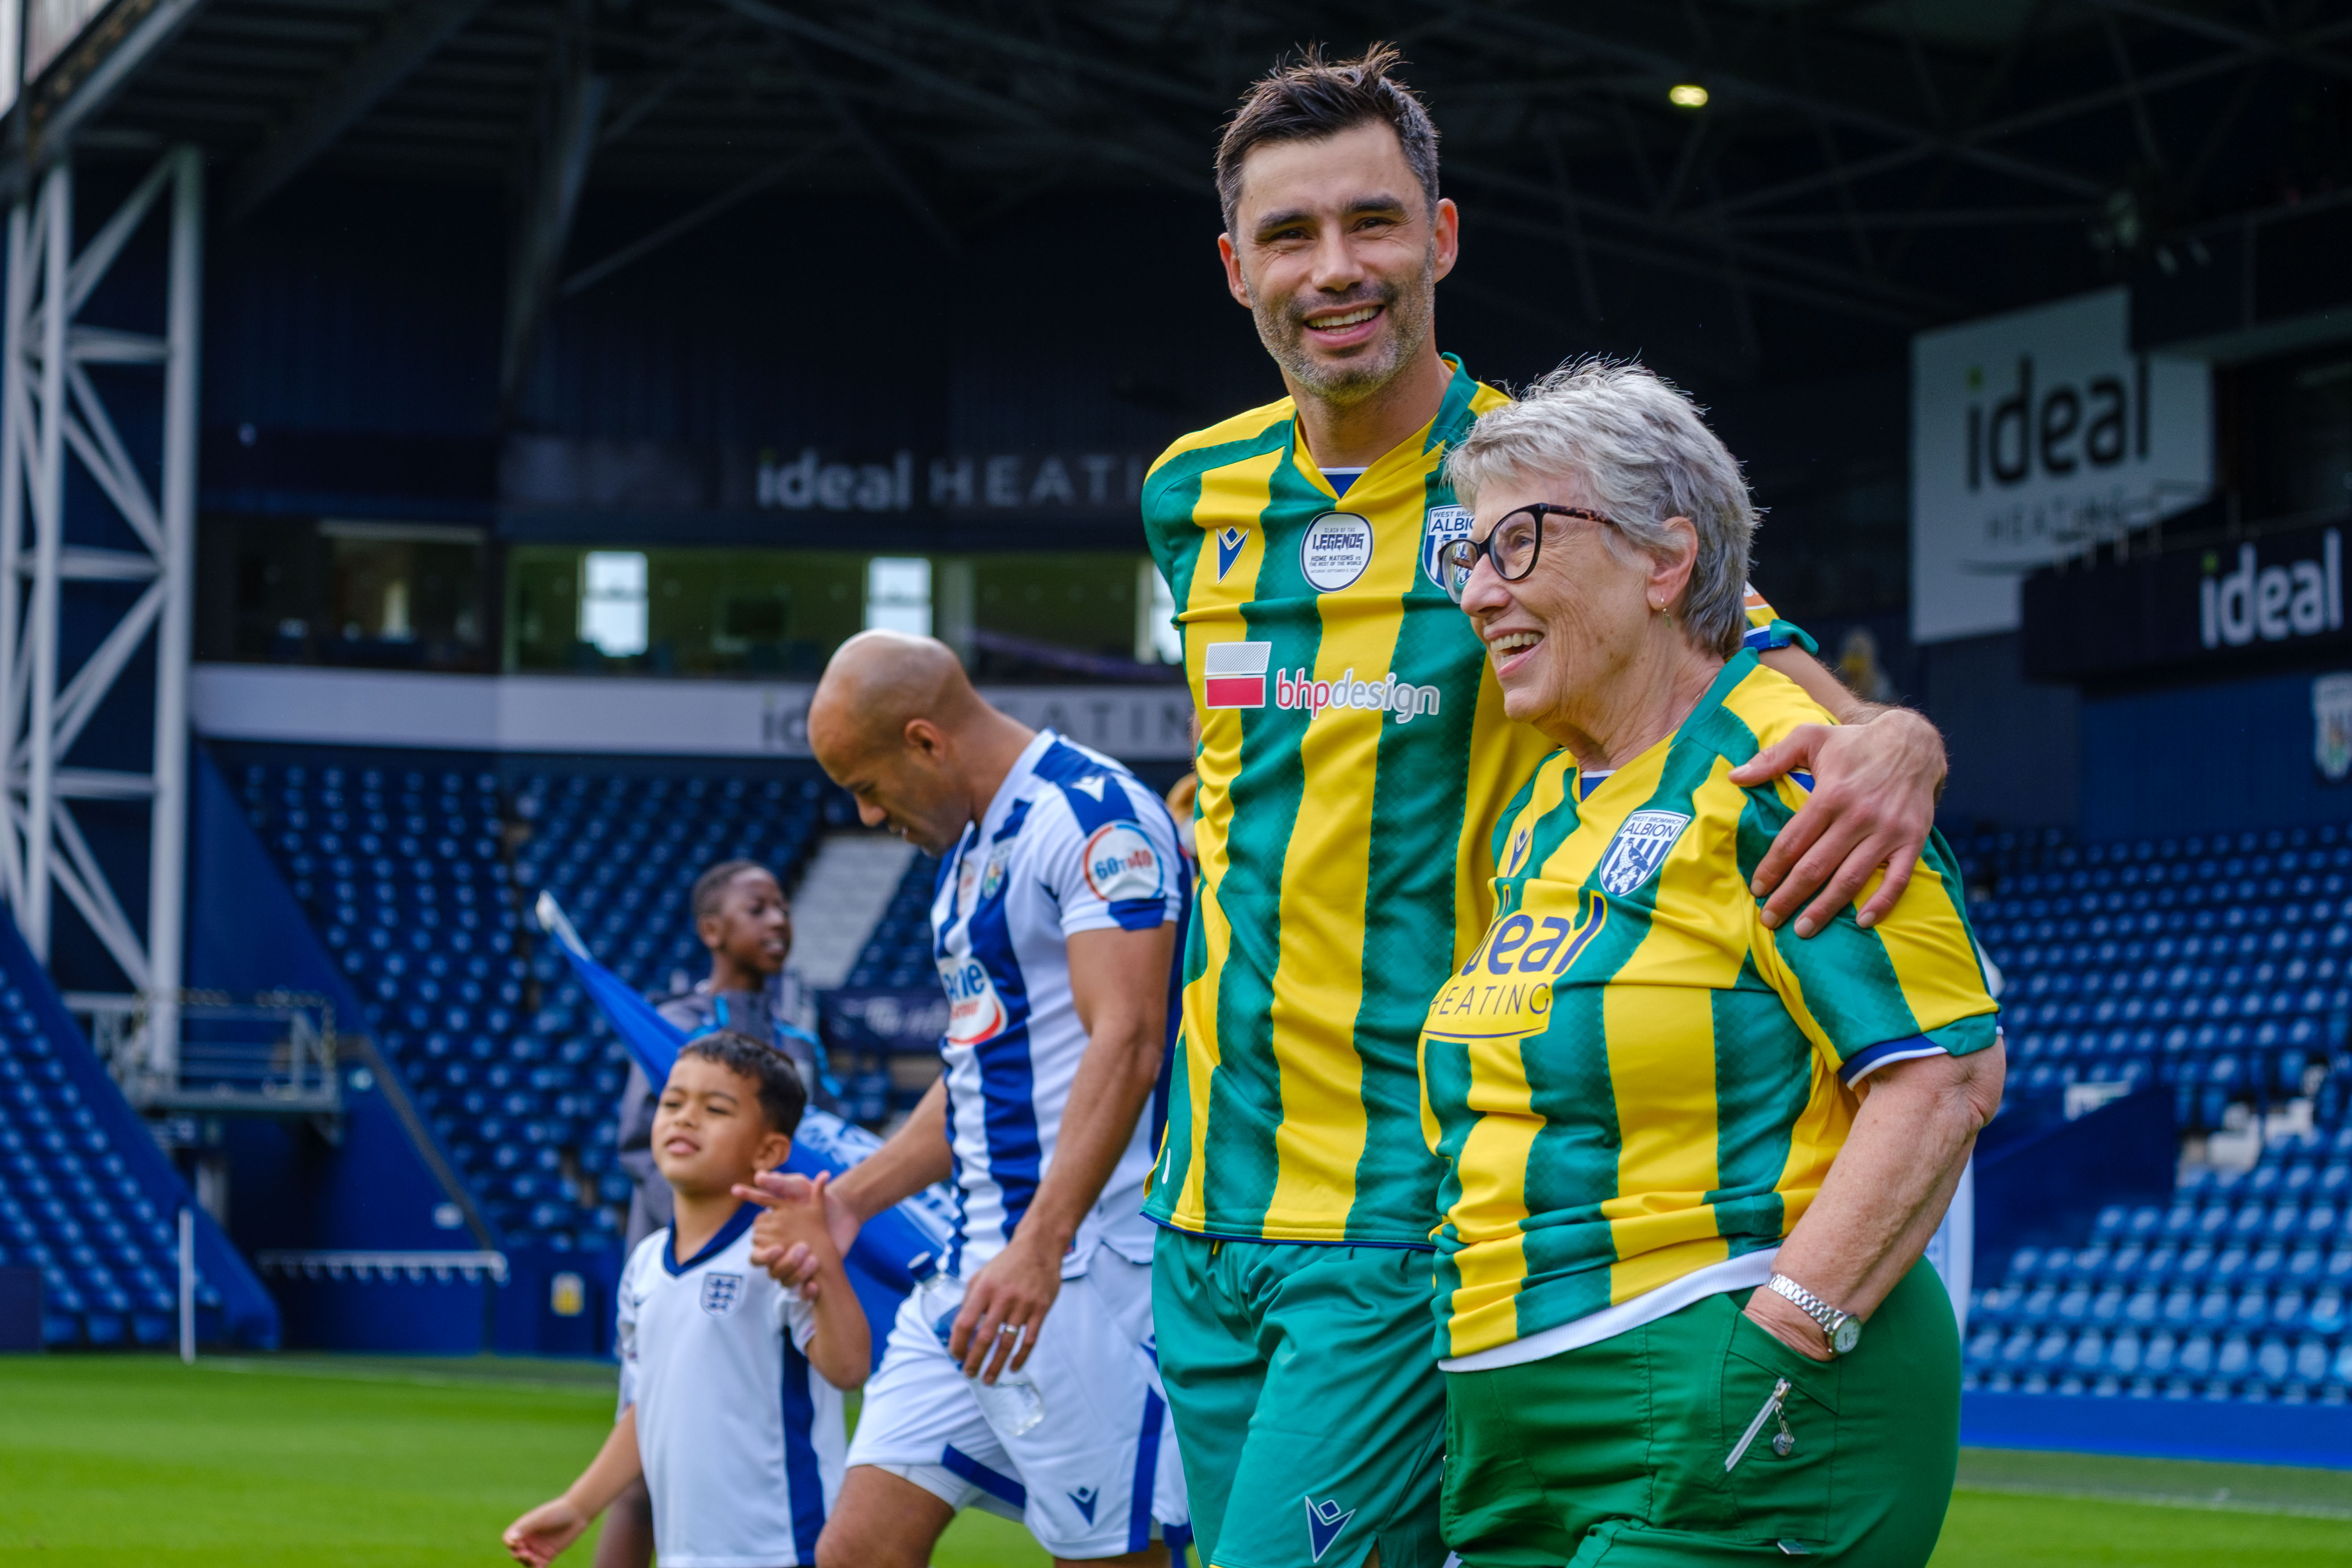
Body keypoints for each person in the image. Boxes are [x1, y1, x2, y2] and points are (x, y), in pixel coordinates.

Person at [1138, 46, 1955, 1568]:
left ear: (1440, 240)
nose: (1337, 270)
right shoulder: (1191, 495)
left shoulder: (1541, 491)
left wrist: (1898, 737)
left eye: (1374, 224)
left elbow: (1743, 664)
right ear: (1234, 266)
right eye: (1291, 235)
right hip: (1203, 1206)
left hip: (1397, 1205)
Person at [1423, 359, 2003, 1564]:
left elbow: (1943, 1075)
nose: (1480, 591)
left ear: (1666, 560)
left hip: (1717, 1379)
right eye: (1468, 556)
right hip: (1512, 1415)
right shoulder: (1543, 811)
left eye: (1517, 543)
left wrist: (1784, 1332)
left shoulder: (1793, 775)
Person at [749, 630, 1190, 1568]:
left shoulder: (1092, 817)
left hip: (1077, 1275)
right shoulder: (962, 861)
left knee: (1115, 1555)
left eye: (867, 785)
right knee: (855, 1550)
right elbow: (975, 1087)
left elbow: (1131, 1040)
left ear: (925, 740)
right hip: (967, 1269)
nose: (867, 815)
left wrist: (1040, 1241)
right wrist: (848, 1200)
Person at [503, 1030, 867, 1568]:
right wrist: (578, 1507)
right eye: (671, 1102)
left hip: (788, 1549)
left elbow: (848, 1366)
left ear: (768, 1150)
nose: (684, 1117)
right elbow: (647, 1403)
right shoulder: (646, 1263)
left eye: (715, 1108)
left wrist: (826, 1268)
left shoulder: (777, 1249)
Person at [602, 857, 810, 1568]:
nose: (778, 920)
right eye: (759, 908)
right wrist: (715, 1239)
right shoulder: (670, 1028)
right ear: (712, 930)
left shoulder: (797, 1037)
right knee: (645, 1467)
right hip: (684, 1269)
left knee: (757, 1442)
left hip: (776, 1275)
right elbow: (640, 1145)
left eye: (782, 906)